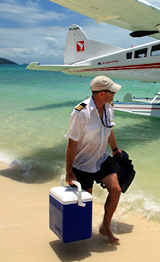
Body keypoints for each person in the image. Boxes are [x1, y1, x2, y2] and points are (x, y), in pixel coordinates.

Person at [65, 75, 123, 243]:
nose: (114, 94)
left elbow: (109, 130)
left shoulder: (109, 107)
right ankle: (81, 233)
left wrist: (114, 149)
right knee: (86, 203)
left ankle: (105, 227)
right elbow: (72, 142)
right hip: (83, 163)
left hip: (101, 158)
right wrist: (69, 171)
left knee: (116, 190)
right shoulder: (80, 112)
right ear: (101, 93)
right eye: (112, 91)